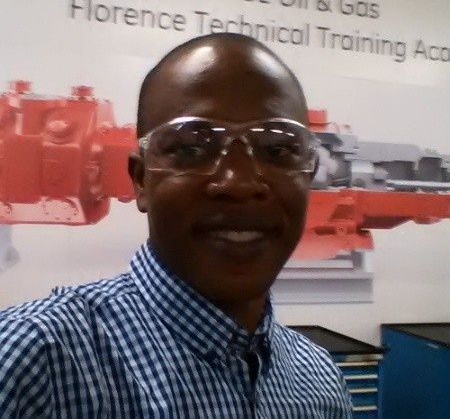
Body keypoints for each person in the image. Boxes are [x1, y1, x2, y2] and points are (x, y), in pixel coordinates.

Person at [0, 33, 352, 418]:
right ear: (141, 180)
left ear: (308, 175)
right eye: (191, 148)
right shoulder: (33, 364)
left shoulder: (319, 383)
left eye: (277, 149)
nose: (239, 183)